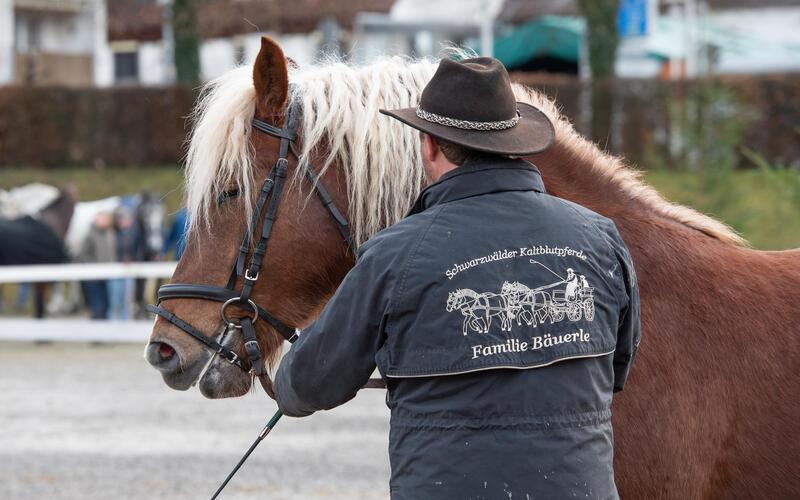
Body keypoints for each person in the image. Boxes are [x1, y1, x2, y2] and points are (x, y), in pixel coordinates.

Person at [274, 57, 640, 499]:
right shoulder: (600, 237)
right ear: (515, 143)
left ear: (429, 146)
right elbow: (619, 365)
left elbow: (309, 386)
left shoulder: (393, 255)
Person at [81, 211, 116, 319]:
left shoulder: (110, 233)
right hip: (93, 277)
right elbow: (84, 254)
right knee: (97, 306)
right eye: (103, 219)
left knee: (107, 305)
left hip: (107, 277)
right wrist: (93, 267)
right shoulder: (90, 235)